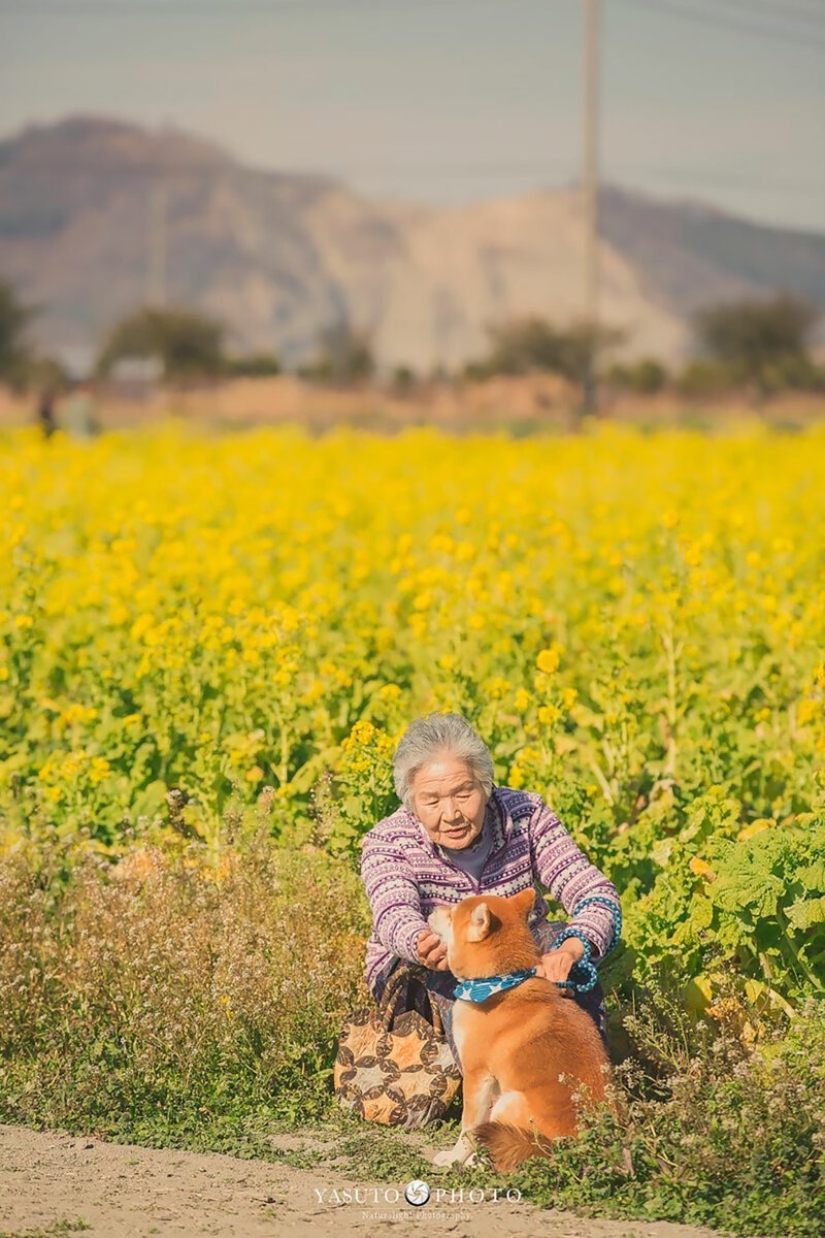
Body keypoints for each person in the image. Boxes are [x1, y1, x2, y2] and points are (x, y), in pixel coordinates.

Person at [360, 711, 621, 1075]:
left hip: (514, 955)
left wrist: (571, 949)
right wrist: (420, 942)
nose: (450, 814)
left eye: (464, 793)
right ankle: (495, 1090)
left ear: (485, 786)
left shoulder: (526, 815)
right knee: (457, 972)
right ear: (410, 801)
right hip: (428, 967)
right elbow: (393, 913)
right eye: (431, 801)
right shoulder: (388, 841)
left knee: (563, 949)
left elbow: (596, 893)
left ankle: (584, 1088)